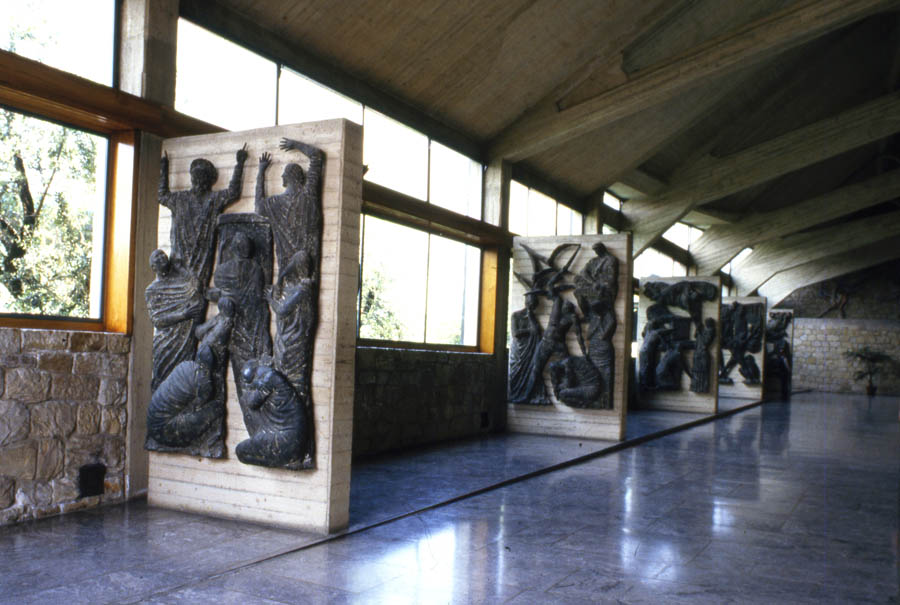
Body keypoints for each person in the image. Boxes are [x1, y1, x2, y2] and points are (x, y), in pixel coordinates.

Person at [158, 145, 248, 289]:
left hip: (201, 261)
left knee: (196, 295)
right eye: (196, 175)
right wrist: (164, 166)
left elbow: (232, 192)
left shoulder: (213, 199)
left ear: (208, 180)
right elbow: (162, 195)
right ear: (192, 178)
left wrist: (240, 164)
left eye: (202, 176)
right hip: (179, 262)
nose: (198, 179)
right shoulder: (179, 199)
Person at [255, 138, 324, 279]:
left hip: (286, 271)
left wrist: (261, 172)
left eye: (283, 174)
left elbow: (258, 206)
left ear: (285, 179)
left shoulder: (275, 203)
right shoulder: (309, 194)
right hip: (308, 272)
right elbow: (316, 156)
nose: (281, 176)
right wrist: (296, 145)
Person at [145, 249, 205, 391]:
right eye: (156, 258)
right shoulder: (152, 290)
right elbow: (157, 319)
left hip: (185, 338)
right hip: (166, 341)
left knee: (184, 378)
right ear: (153, 268)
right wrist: (183, 315)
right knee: (163, 380)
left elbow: (196, 289)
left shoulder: (181, 281)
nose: (161, 257)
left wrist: (182, 269)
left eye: (162, 254)